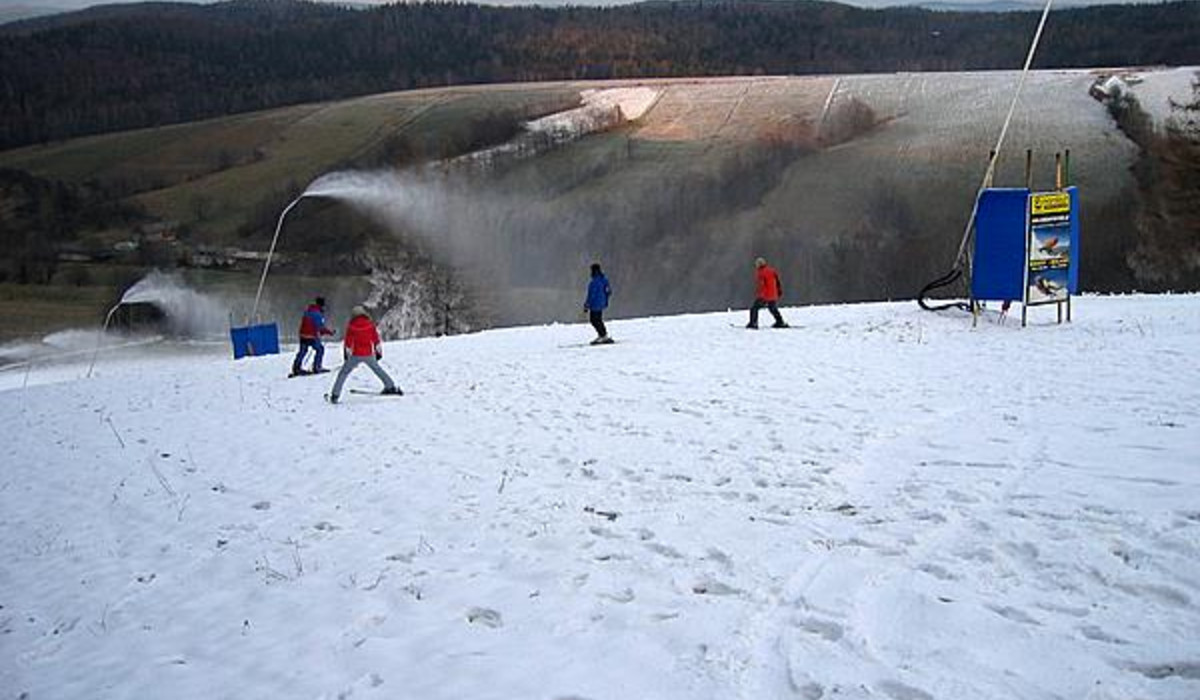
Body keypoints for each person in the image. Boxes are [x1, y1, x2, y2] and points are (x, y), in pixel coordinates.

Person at [327, 306, 402, 403]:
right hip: (368, 354)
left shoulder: (351, 326)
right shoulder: (370, 324)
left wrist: (346, 355)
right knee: (378, 370)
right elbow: (376, 340)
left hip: (356, 355)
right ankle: (390, 386)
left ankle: (335, 395)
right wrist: (378, 353)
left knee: (343, 373)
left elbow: (348, 343)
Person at [291, 296, 335, 377]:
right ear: (321, 305)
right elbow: (320, 327)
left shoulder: (308, 311)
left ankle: (296, 367)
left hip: (302, 335)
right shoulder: (317, 314)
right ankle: (317, 367)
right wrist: (330, 332)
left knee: (303, 351)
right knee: (320, 349)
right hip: (311, 336)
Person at [747, 257, 789, 329]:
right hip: (773, 294)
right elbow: (777, 281)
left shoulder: (761, 273)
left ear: (759, 265)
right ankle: (780, 322)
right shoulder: (772, 270)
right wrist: (779, 291)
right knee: (772, 308)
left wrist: (760, 295)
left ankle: (753, 323)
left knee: (754, 308)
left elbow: (762, 285)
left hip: (765, 295)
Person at [584, 262, 614, 345]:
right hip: (602, 303)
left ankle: (602, 335)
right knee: (598, 320)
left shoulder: (593, 282)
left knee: (594, 320)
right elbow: (608, 291)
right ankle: (603, 335)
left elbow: (591, 295)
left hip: (595, 304)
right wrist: (605, 300)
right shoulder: (604, 280)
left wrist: (587, 305)